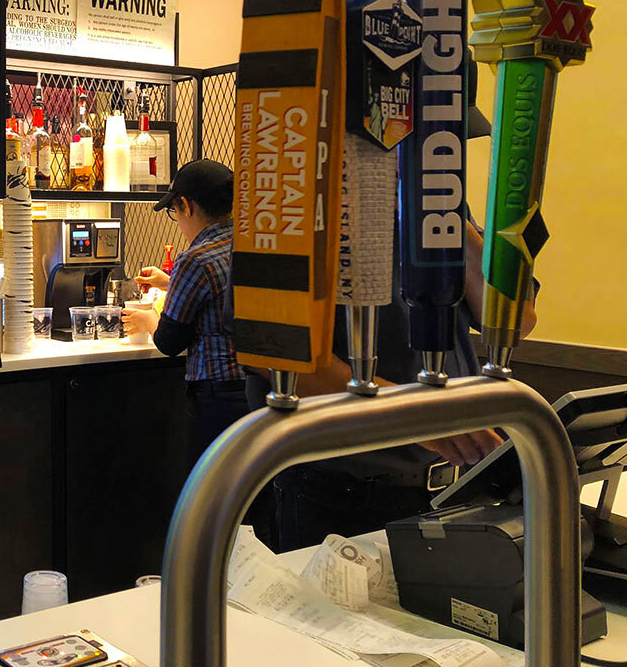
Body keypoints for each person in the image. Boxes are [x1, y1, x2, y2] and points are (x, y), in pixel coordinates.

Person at [247, 90, 539, 552]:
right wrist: (415, 414)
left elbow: (517, 320)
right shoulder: (302, 213)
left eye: (453, 145)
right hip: (346, 492)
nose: (446, 156)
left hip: (450, 488)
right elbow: (284, 364)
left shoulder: (446, 218)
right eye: (432, 143)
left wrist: (450, 215)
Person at [122, 159, 250, 470]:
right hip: (254, 389)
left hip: (216, 396)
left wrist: (147, 321)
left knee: (214, 492)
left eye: (174, 212)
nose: (177, 220)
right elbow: (227, 290)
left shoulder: (195, 258)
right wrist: (170, 282)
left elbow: (169, 341)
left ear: (186, 205)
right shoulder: (247, 241)